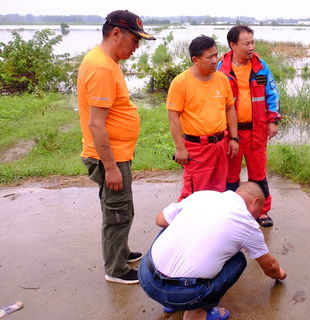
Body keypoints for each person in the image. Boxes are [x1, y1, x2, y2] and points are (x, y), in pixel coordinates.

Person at [78, 10, 156, 284]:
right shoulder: (101, 67)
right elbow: (96, 124)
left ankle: (120, 252)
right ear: (115, 33)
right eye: (135, 39)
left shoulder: (107, 61)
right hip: (110, 158)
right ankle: (116, 269)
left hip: (117, 154)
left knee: (121, 209)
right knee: (117, 213)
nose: (137, 46)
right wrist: (110, 167)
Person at [138, 182, 287, 319]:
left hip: (145, 277)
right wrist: (280, 274)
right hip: (184, 295)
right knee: (238, 260)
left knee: (171, 223)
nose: (255, 218)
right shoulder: (247, 223)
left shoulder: (202, 195)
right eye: (258, 212)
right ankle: (197, 313)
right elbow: (270, 268)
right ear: (255, 202)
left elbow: (160, 220)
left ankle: (170, 304)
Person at [217, 25, 282, 227]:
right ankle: (232, 212)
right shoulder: (221, 69)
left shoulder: (260, 66)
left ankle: (262, 211)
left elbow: (272, 94)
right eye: (246, 43)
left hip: (257, 131)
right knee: (230, 177)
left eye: (253, 42)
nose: (251, 47)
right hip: (232, 134)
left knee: (258, 174)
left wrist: (273, 120)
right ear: (233, 45)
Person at [167, 35, 239, 201]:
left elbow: (230, 109)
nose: (215, 60)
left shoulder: (222, 79)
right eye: (209, 57)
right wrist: (180, 148)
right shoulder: (181, 83)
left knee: (218, 191)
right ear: (195, 59)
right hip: (197, 149)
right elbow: (173, 118)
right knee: (193, 195)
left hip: (221, 145)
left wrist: (234, 138)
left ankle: (212, 224)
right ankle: (180, 224)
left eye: (216, 55)